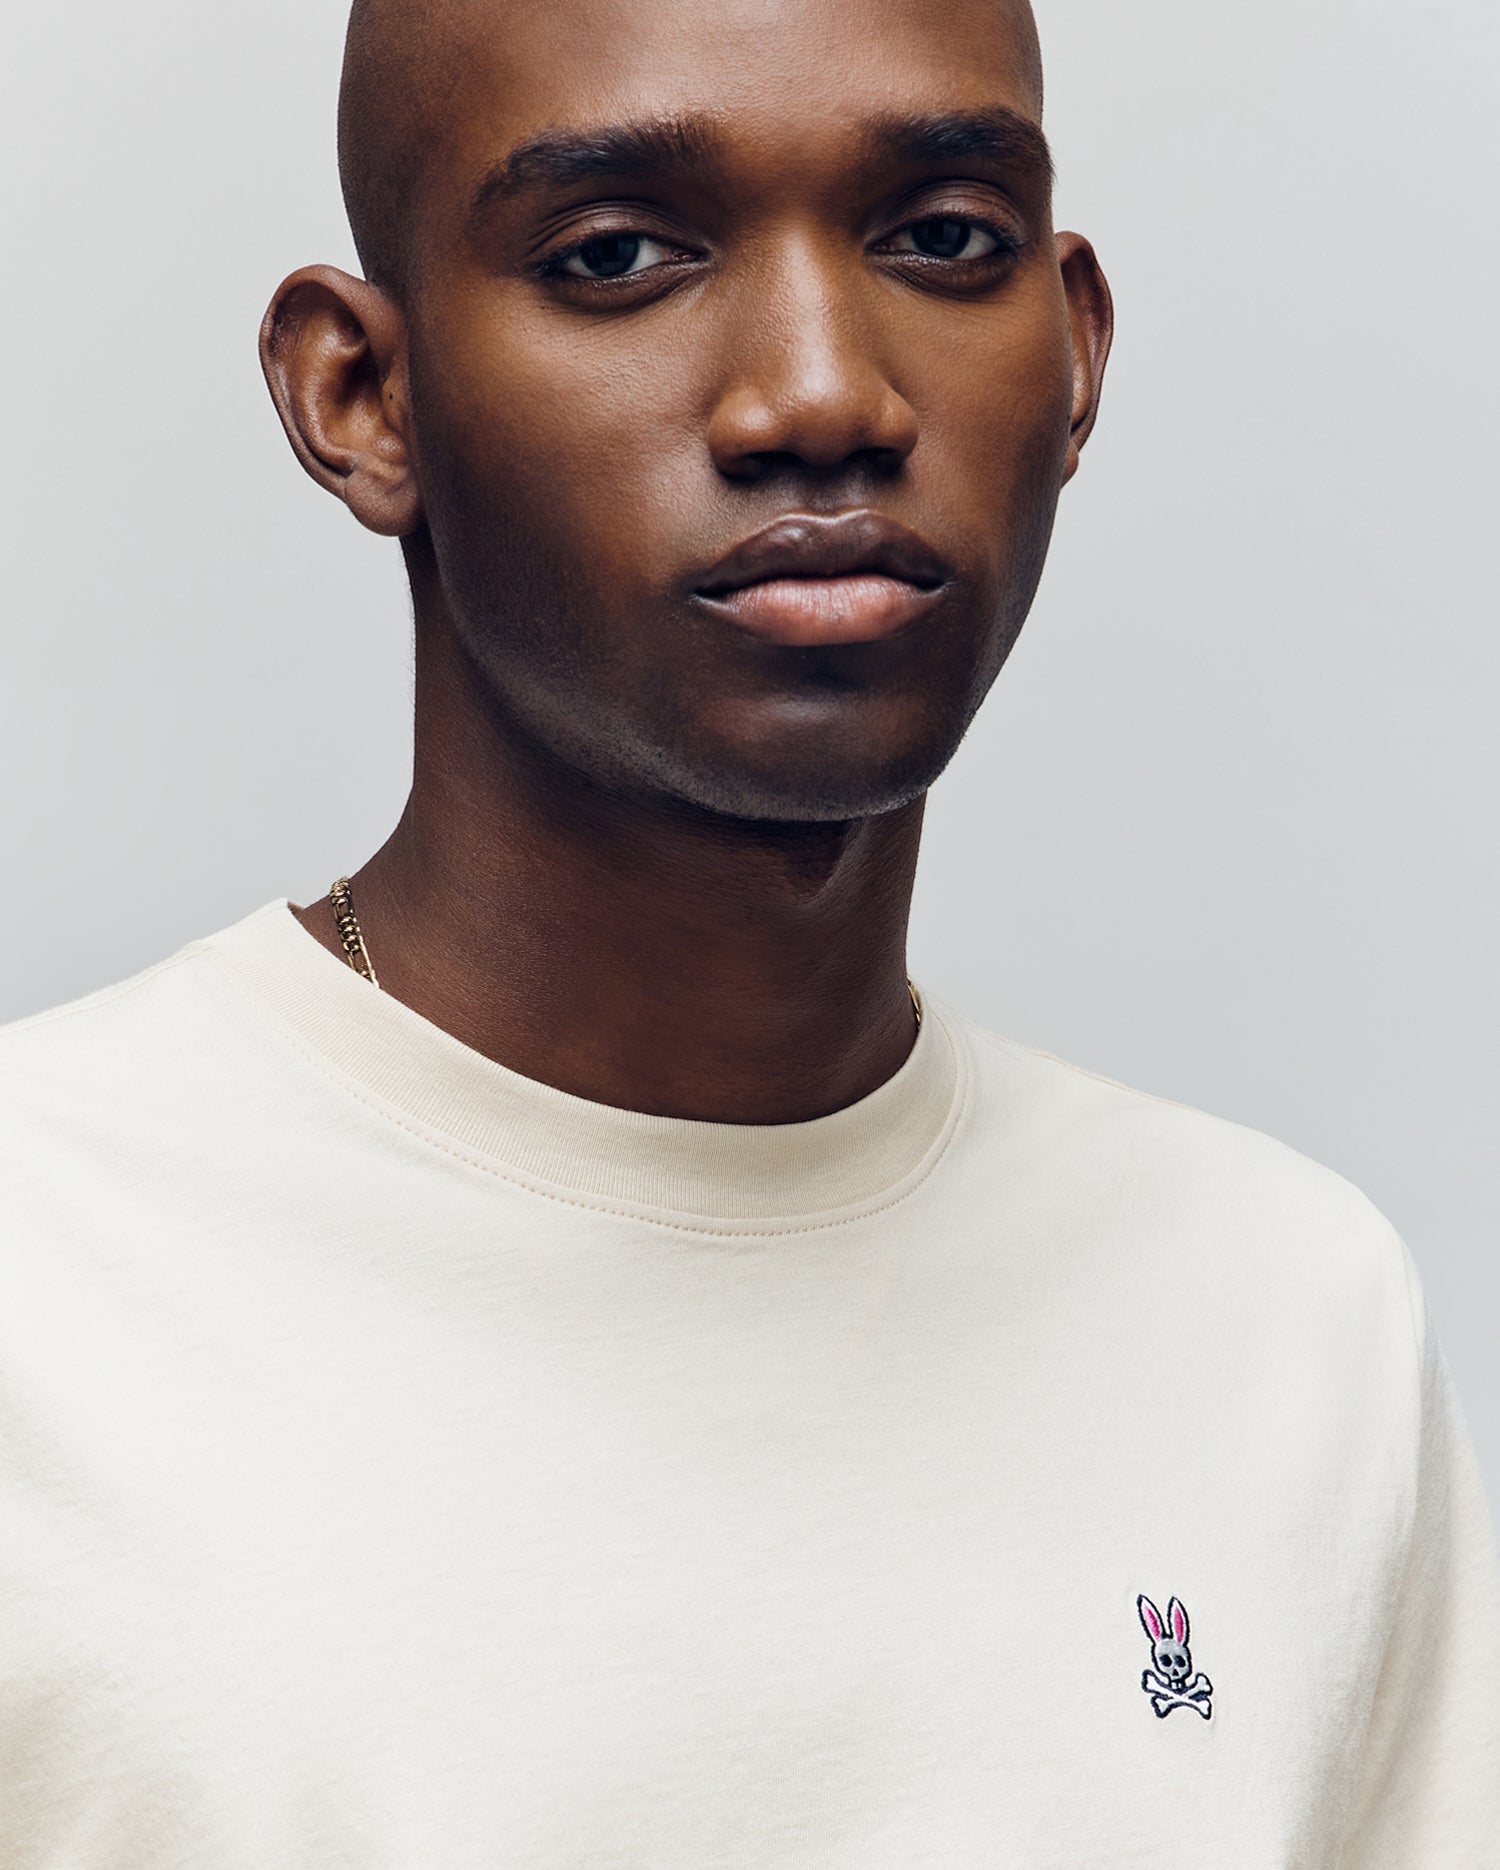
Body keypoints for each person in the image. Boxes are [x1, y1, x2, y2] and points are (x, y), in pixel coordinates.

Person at [1, 0, 1495, 1860]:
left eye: (942, 237)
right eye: (616, 257)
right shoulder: (43, 1286)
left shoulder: (1282, 1321)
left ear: (1076, 351)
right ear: (361, 396)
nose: (821, 396)